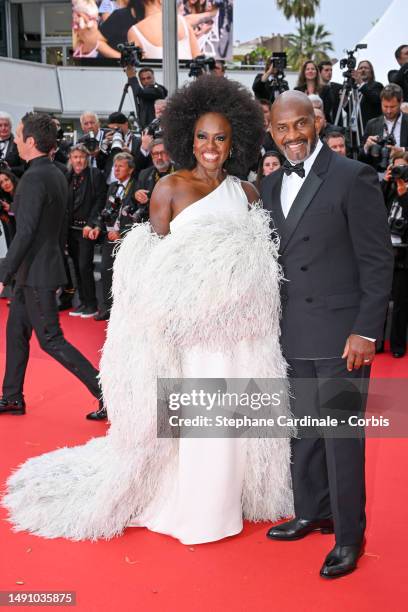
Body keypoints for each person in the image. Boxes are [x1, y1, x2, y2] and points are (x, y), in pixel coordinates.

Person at [2, 75, 292, 545]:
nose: (211, 147)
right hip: (191, 339)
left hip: (241, 337)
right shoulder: (169, 189)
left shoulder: (249, 194)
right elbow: (150, 271)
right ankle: (198, 508)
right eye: (202, 137)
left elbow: (259, 266)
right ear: (186, 139)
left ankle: (234, 497)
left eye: (220, 137)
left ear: (234, 140)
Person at [261, 91, 393, 578]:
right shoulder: (270, 184)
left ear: (315, 122)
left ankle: (348, 537)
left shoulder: (351, 176)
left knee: (341, 436)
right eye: (282, 129)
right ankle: (311, 509)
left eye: (300, 125)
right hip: (292, 331)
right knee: (305, 432)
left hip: (342, 335)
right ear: (270, 130)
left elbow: (378, 261)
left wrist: (365, 330)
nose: (292, 136)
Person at [0, 113, 103, 419]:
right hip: (35, 270)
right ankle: (11, 397)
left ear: (31, 142)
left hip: (37, 272)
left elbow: (26, 232)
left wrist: (3, 274)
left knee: (51, 339)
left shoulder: (33, 178)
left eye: (19, 136)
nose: (16, 141)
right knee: (16, 330)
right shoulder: (57, 173)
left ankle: (107, 393)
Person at [92, 152, 137, 323]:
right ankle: (107, 308)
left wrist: (122, 232)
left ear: (130, 170)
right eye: (114, 166)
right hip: (110, 236)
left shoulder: (136, 187)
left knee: (125, 275)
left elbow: (139, 217)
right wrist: (97, 226)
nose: (116, 169)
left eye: (121, 166)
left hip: (128, 239)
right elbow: (105, 210)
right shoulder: (112, 186)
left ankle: (125, 310)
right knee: (105, 271)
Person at [66, 144, 107, 319]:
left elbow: (99, 201)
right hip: (71, 229)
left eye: (81, 157)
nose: (78, 160)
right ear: (70, 159)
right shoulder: (68, 176)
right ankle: (82, 301)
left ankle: (91, 304)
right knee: (76, 265)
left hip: (86, 229)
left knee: (84, 266)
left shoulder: (94, 174)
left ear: (87, 158)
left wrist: (92, 223)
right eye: (75, 157)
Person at [380, 152, 408, 357]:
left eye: (403, 168)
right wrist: (386, 184)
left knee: (400, 304)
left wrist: (404, 194)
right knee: (379, 300)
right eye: (395, 168)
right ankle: (378, 343)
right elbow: (373, 208)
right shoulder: (387, 190)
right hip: (384, 253)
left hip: (404, 257)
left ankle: (397, 346)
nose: (399, 172)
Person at [127, 0, 200, 60]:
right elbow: (198, 58)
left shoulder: (135, 31)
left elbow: (134, 70)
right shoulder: (182, 21)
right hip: (189, 77)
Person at [361, 84, 408, 172]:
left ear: (401, 102)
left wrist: (402, 151)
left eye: (392, 107)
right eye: (385, 106)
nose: (389, 111)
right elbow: (361, 158)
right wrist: (366, 147)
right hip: (379, 176)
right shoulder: (372, 124)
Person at [0, 112, 25, 177]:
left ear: (11, 127)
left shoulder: (18, 144)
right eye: (0, 125)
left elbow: (25, 167)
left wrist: (10, 169)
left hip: (11, 183)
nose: (3, 128)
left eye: (6, 125)